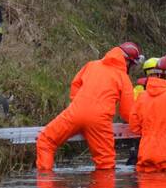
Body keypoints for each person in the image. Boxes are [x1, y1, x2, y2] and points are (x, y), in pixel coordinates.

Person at [35, 42, 144, 172]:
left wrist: (80, 107)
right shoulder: (123, 78)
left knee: (46, 141)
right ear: (127, 62)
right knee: (105, 163)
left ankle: (45, 184)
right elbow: (127, 112)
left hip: (74, 113)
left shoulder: (91, 65)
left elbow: (75, 85)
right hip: (99, 121)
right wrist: (142, 124)